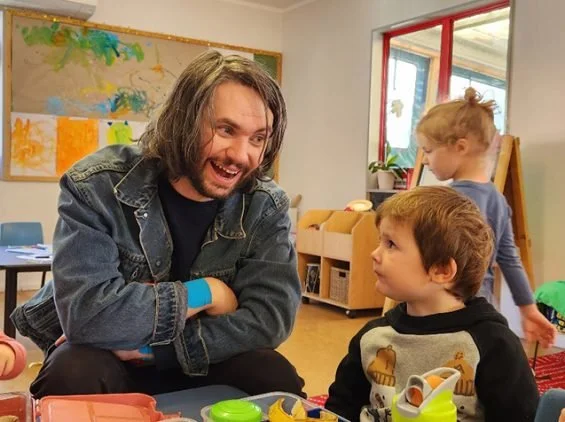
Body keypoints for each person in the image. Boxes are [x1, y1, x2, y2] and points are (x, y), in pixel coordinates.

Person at [11, 50, 304, 398]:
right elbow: (88, 317)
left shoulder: (264, 205)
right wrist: (206, 292)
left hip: (197, 354)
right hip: (110, 360)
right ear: (184, 121)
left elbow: (269, 319)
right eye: (226, 130)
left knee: (273, 373)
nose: (242, 156)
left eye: (258, 138)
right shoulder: (97, 185)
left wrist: (158, 351)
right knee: (72, 370)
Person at [325, 186, 539, 422]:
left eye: (391, 244)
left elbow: (522, 416)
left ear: (441, 270)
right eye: (380, 241)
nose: (375, 254)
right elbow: (338, 409)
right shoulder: (373, 337)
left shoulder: (493, 343)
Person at [413, 87, 555, 349]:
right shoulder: (498, 200)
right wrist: (528, 308)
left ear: (460, 147)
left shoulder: (449, 202)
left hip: (450, 311)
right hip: (483, 310)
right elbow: (510, 260)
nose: (425, 161)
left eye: (429, 150)